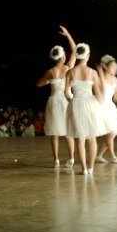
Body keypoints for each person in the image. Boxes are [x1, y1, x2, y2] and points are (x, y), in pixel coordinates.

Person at [64, 41, 107, 175]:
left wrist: (73, 101)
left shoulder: (70, 72)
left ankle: (83, 168)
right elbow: (98, 94)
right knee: (91, 138)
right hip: (90, 104)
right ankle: (91, 168)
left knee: (80, 139)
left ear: (77, 56)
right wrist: (101, 107)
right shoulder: (93, 73)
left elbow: (66, 93)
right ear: (88, 56)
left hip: (76, 103)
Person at [36, 35, 76, 167]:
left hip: (54, 100)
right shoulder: (68, 68)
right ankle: (71, 158)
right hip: (66, 100)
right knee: (68, 131)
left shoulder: (50, 72)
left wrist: (49, 81)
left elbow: (38, 84)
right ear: (63, 57)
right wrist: (68, 35)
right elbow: (75, 50)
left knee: (55, 133)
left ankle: (56, 160)